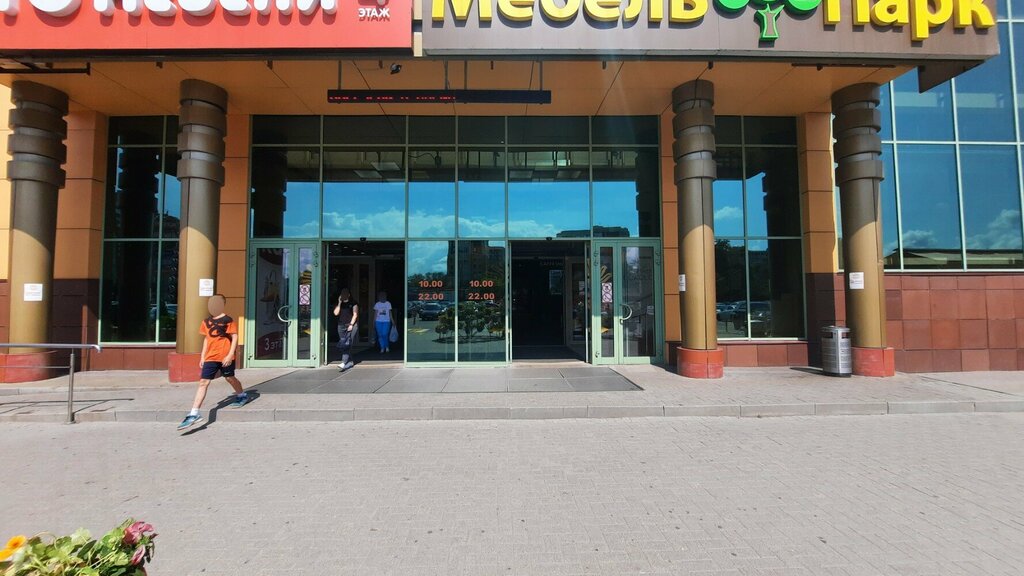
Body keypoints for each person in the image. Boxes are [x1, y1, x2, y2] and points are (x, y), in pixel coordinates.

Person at [177, 294, 249, 431]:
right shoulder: (206, 321)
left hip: (225, 356)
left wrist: (230, 355)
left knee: (230, 378)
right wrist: (203, 356)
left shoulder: (228, 320)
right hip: (210, 357)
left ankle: (242, 395)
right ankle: (194, 413)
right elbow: (207, 339)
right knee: (203, 382)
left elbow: (234, 337)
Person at [334, 288, 358, 371]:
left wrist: (351, 324)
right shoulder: (339, 304)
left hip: (351, 325)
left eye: (345, 294)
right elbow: (336, 313)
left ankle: (344, 362)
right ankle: (350, 362)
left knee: (347, 343)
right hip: (341, 325)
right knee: (344, 343)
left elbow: (355, 315)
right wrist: (339, 303)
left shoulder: (353, 303)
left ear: (349, 295)